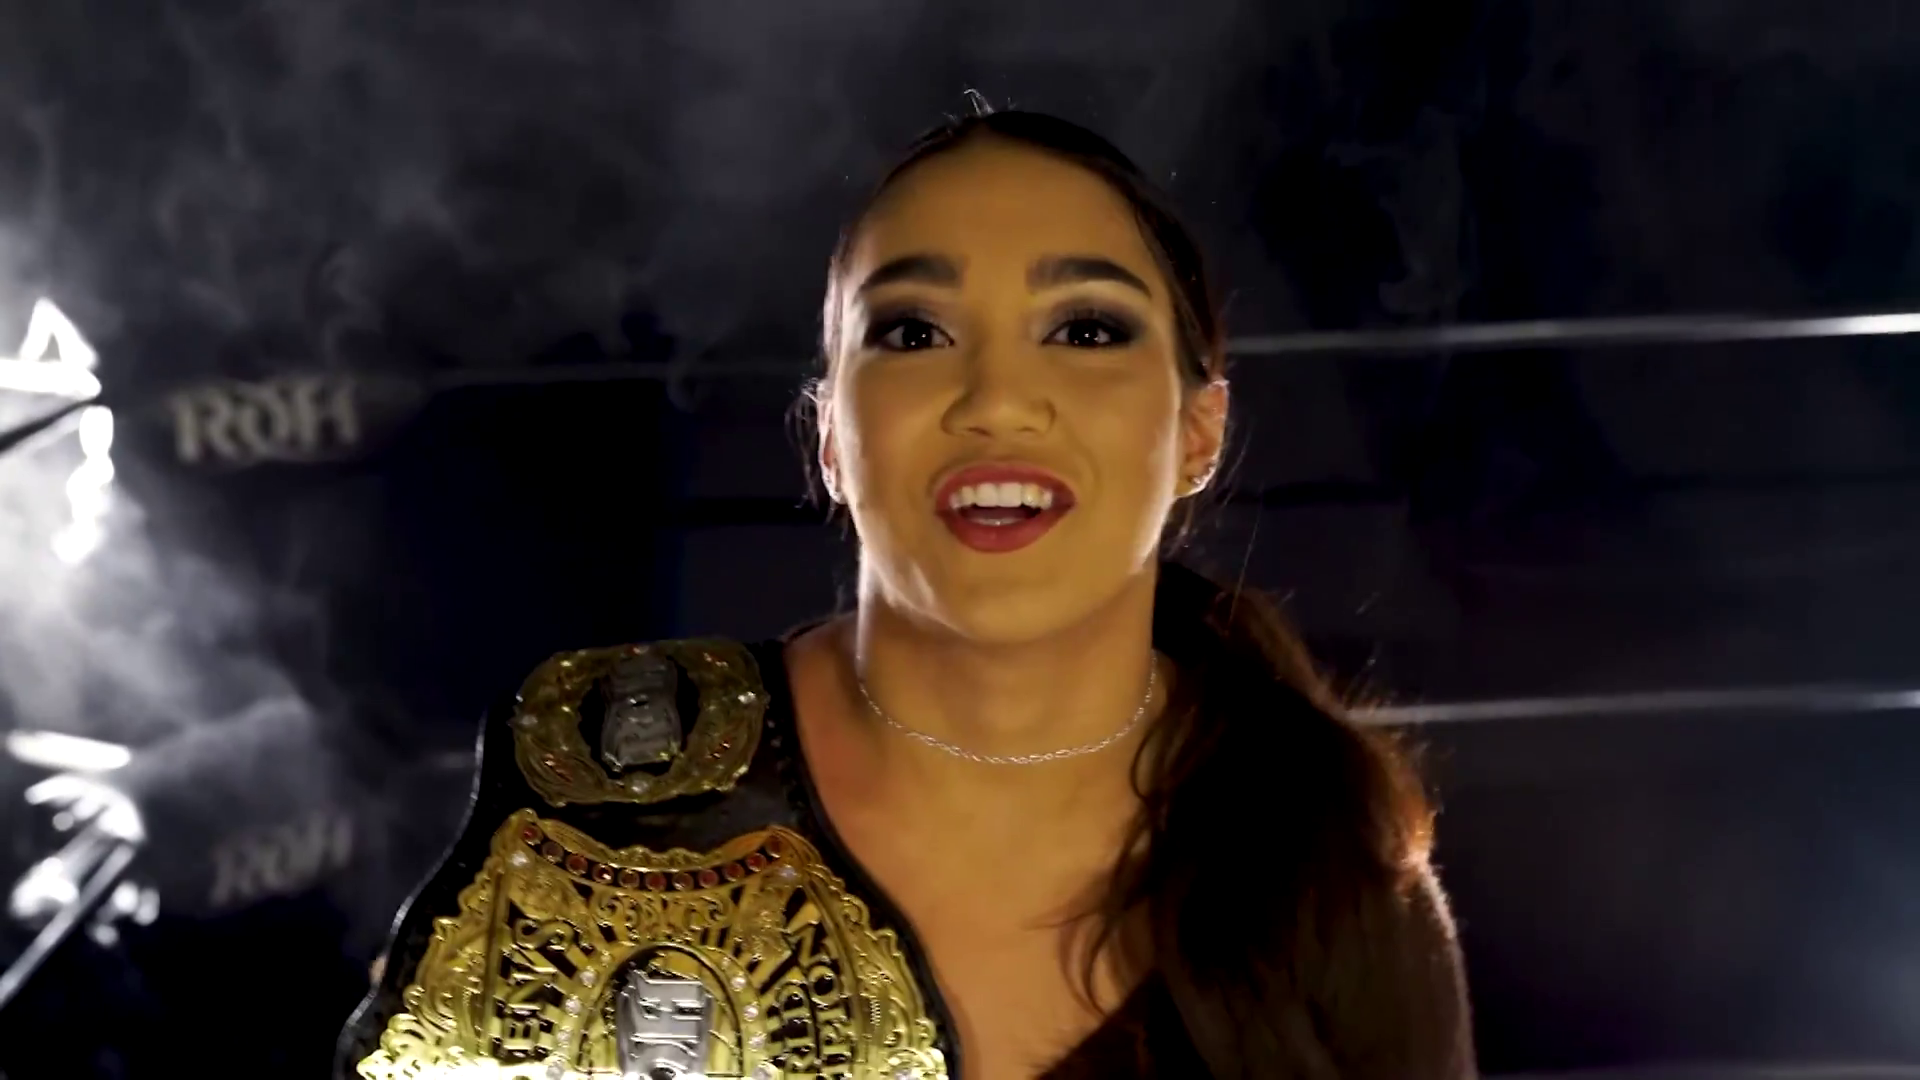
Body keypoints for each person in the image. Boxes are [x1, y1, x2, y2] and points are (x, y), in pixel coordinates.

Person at [338, 107, 1475, 1080]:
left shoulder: (1331, 872)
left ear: (1198, 430)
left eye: (1085, 329)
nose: (998, 400)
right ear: (831, 435)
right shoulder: (602, 802)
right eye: (913, 331)